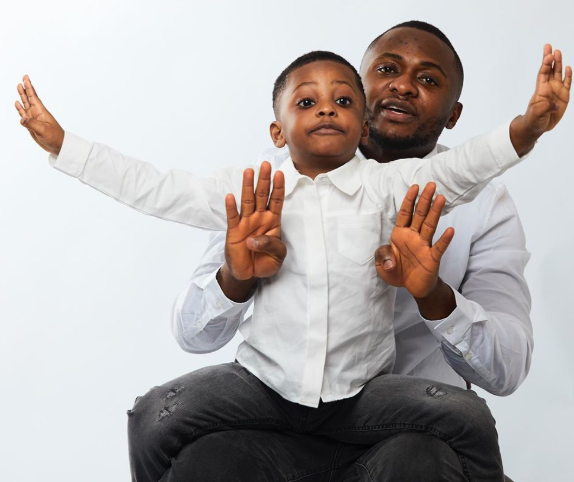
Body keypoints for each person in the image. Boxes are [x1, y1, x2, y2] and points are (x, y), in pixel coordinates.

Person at [15, 24, 570, 482]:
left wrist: (527, 129)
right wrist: (68, 147)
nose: (402, 86)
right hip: (268, 394)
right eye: (385, 71)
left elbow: (465, 168)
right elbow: (157, 188)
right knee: (157, 418)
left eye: (427, 80)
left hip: (374, 406)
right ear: (279, 131)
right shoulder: (260, 189)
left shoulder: (405, 187)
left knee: (464, 417)